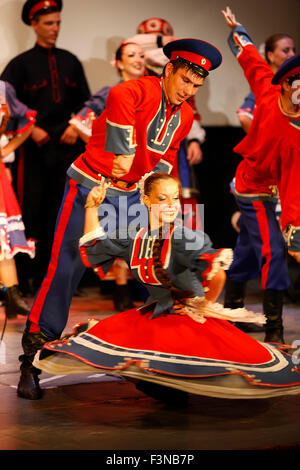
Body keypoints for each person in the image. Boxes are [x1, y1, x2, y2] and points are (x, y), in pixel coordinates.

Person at [16, 38, 223, 400]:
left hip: (137, 197)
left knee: (155, 276)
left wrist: (162, 212)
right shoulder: (131, 91)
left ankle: (154, 368)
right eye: (185, 80)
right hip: (92, 190)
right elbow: (120, 146)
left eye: (196, 85)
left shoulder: (186, 114)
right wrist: (124, 160)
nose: (187, 90)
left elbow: (165, 164)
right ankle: (32, 361)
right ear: (169, 69)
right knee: (65, 269)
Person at [34, 173, 300, 401]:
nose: (172, 205)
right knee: (115, 348)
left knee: (205, 370)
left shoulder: (185, 237)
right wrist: (92, 206)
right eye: (163, 199)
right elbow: (93, 244)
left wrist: (202, 306)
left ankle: (168, 387)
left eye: (175, 198)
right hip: (157, 314)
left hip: (188, 318)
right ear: (147, 200)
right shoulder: (133, 236)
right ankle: (159, 385)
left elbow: (216, 272)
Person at [221, 7, 300, 344]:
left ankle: (232, 310)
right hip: (250, 187)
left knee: (249, 251)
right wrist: (238, 29)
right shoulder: (267, 94)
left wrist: (294, 228)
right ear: (285, 85)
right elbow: (250, 59)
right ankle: (274, 326)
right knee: (273, 251)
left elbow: (294, 184)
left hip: (275, 193)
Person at [0, 0, 90, 294]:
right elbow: (7, 106)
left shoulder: (71, 61)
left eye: (58, 23)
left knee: (63, 212)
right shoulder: (20, 64)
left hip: (67, 148)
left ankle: (57, 278)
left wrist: (75, 126)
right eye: (49, 23)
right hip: (33, 152)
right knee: (31, 211)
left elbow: (87, 103)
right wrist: (32, 129)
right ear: (34, 24)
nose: (55, 29)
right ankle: (26, 278)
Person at [70, 41, 147, 311]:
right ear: (119, 63)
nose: (138, 59)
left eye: (140, 54)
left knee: (141, 229)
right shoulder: (110, 93)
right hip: (115, 177)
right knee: (116, 229)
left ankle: (145, 284)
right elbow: (79, 121)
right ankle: (121, 288)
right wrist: (106, 152)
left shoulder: (152, 92)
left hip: (143, 174)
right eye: (130, 55)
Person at [0, 80, 36, 318]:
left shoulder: (2, 88)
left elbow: (27, 119)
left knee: (1, 234)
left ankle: (12, 295)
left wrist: (6, 149)